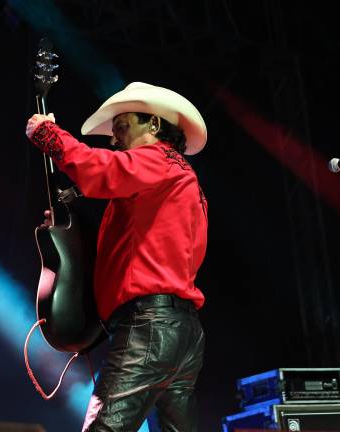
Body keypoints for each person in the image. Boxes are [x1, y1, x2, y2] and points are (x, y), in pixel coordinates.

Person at [26, 82, 208, 431]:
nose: (114, 140)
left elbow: (99, 169)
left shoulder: (157, 160)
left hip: (150, 326)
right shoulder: (182, 177)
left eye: (122, 127)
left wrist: (48, 134)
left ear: (154, 124)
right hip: (183, 331)